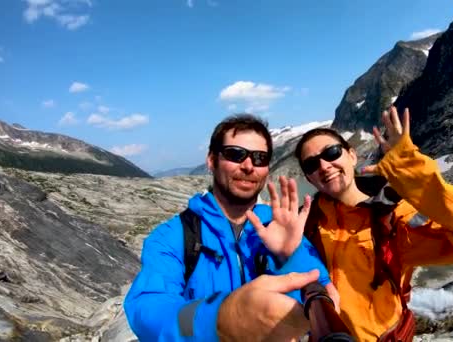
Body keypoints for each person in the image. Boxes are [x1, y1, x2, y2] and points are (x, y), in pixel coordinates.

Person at [293, 106, 453, 341]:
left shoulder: (393, 215)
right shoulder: (303, 224)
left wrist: (417, 178)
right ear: (308, 177)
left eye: (331, 153)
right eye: (311, 164)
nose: (324, 166)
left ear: (352, 155)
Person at [124, 114, 337, 341]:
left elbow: (324, 293)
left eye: (260, 158)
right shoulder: (173, 236)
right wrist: (221, 319)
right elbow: (148, 310)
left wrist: (290, 256)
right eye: (235, 154)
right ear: (211, 160)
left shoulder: (279, 225)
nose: (248, 166)